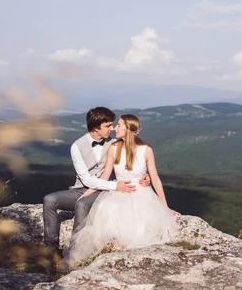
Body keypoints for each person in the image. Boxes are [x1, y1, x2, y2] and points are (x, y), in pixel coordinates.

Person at [65, 114, 180, 268]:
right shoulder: (114, 148)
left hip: (141, 193)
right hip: (118, 191)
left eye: (119, 125)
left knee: (140, 224)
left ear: (129, 129)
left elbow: (156, 179)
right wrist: (90, 191)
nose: (115, 128)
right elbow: (105, 175)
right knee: (108, 210)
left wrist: (165, 207)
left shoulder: (146, 150)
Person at [42, 107, 150, 251]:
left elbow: (135, 155)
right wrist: (116, 186)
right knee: (49, 200)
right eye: (107, 126)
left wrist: (144, 176)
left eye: (112, 125)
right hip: (81, 189)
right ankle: (50, 248)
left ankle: (76, 249)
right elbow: (86, 180)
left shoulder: (113, 143)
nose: (111, 129)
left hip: (103, 190)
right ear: (95, 128)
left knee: (81, 205)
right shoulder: (77, 147)